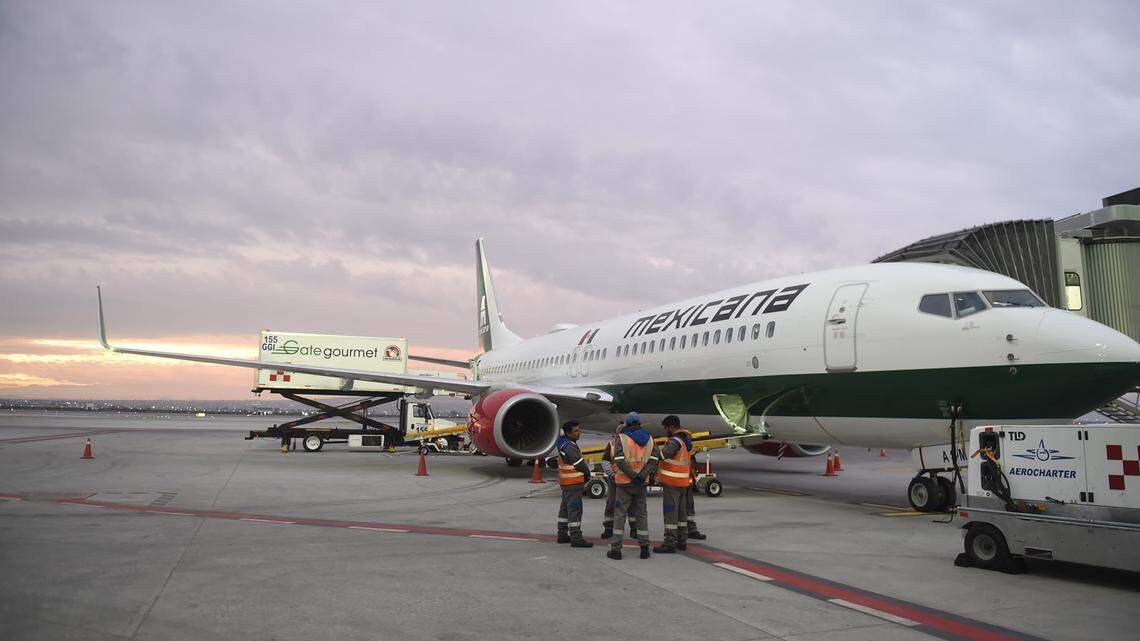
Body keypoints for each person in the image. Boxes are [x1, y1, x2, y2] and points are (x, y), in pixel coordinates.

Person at [606, 412, 658, 560]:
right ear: (640, 423)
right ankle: (644, 549)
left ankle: (616, 550)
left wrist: (632, 475)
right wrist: (641, 475)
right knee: (641, 515)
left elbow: (619, 460)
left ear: (627, 424)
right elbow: (654, 460)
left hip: (624, 483)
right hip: (641, 484)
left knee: (620, 515)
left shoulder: (621, 439)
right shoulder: (650, 439)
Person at [653, 415, 693, 553]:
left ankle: (669, 543)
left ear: (671, 427)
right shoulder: (686, 440)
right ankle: (682, 541)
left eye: (666, 428)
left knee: (670, 513)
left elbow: (663, 455)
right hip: (683, 482)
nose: (665, 430)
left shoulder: (674, 441)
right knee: (681, 514)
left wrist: (653, 448)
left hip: (672, 482)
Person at [555, 421, 593, 548]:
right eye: (576, 431)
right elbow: (580, 464)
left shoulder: (562, 443)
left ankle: (562, 534)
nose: (579, 433)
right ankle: (576, 537)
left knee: (565, 510)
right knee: (575, 510)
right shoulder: (570, 446)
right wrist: (587, 475)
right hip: (573, 483)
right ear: (568, 433)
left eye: (579, 430)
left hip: (566, 483)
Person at [599, 420, 634, 539]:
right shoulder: (612, 445)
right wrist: (611, 475)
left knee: (632, 505)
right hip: (615, 480)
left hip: (629, 480)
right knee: (611, 504)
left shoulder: (632, 445)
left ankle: (634, 528)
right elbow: (605, 461)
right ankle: (609, 528)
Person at [686, 455, 708, 541]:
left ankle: (691, 529)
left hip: (687, 480)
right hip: (677, 481)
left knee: (689, 506)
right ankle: (679, 532)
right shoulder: (676, 443)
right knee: (679, 508)